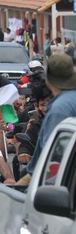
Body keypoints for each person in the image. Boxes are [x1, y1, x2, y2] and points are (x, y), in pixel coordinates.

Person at [23, 54, 76, 184]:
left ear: (48, 78)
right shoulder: (69, 99)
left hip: (57, 182)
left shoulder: (59, 109)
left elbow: (52, 155)